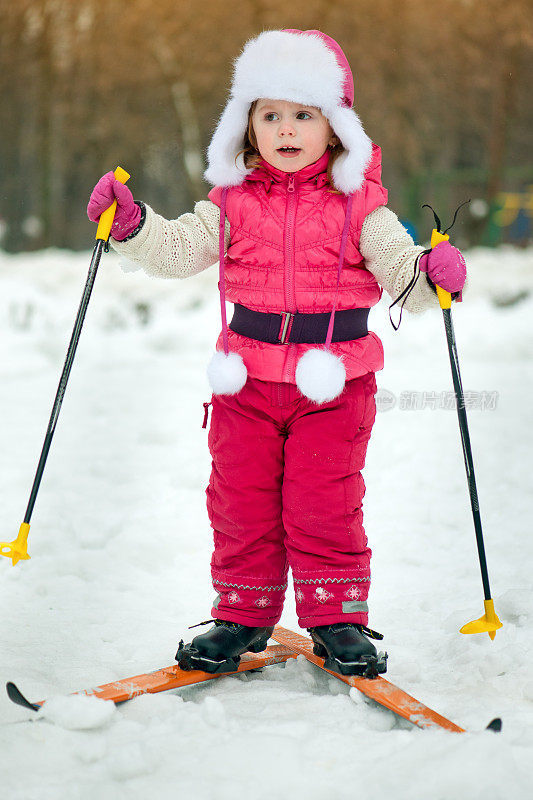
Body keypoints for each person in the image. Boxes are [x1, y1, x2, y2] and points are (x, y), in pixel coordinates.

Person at [87, 29, 466, 676]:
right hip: (245, 382)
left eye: (302, 114)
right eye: (270, 115)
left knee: (326, 500)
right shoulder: (230, 204)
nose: (285, 129)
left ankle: (336, 616)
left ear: (335, 127)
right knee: (239, 499)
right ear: (247, 127)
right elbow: (179, 252)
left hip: (334, 384)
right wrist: (132, 225)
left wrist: (429, 275)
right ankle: (242, 613)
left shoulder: (361, 208)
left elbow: (400, 268)